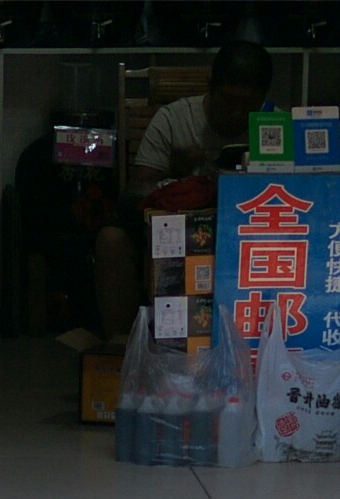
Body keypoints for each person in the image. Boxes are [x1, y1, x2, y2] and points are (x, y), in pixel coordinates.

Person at [94, 40, 273, 340]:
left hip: (247, 240)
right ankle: (121, 353)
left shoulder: (273, 128)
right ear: (211, 86)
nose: (237, 112)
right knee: (111, 239)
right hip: (174, 239)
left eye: (249, 104)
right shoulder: (174, 119)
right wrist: (175, 173)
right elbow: (133, 194)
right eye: (229, 100)